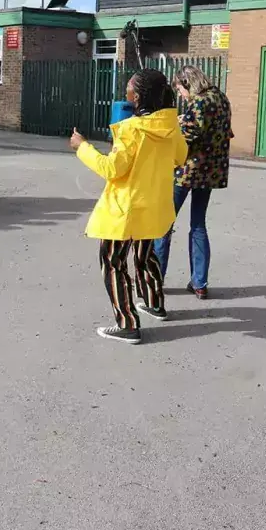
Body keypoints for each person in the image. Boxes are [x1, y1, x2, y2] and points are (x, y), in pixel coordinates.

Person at [69, 69, 188, 344]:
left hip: (126, 210)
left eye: (129, 87)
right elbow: (181, 156)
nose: (126, 92)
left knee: (112, 263)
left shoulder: (132, 129)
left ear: (140, 95)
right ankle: (155, 303)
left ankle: (127, 324)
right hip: (155, 206)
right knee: (145, 257)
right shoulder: (171, 126)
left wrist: (82, 146)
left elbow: (112, 169)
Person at [153, 65, 233, 300]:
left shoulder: (198, 103)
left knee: (164, 224)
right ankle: (199, 282)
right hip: (210, 171)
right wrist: (184, 119)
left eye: (179, 89)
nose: (179, 95)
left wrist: (174, 126)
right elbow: (222, 130)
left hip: (186, 171)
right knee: (198, 224)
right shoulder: (220, 97)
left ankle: (156, 279)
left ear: (188, 84)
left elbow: (185, 137)